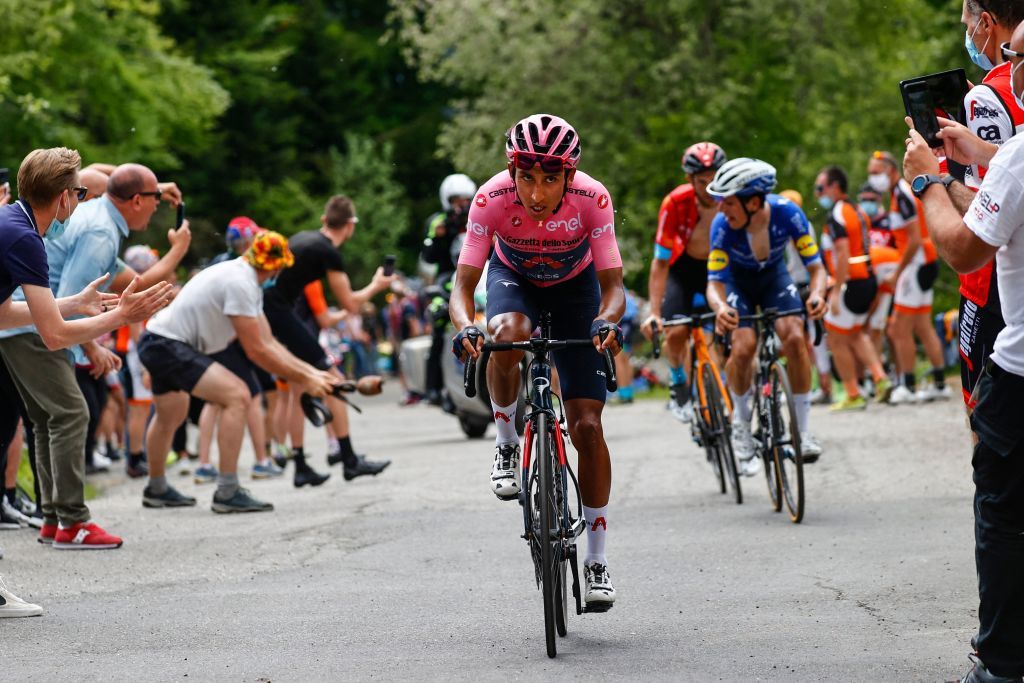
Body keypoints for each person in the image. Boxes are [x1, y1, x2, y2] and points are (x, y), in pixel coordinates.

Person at [450, 113, 625, 609]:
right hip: (515, 281)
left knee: (588, 427)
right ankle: (506, 442)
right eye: (526, 176)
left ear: (570, 176)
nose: (536, 192)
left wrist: (606, 322)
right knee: (505, 335)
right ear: (511, 171)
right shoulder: (490, 199)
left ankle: (596, 560)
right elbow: (462, 288)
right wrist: (467, 325)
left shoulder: (593, 198)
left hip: (577, 290)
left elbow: (613, 289)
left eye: (550, 178)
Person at [902, 24, 1024, 677]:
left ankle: (1002, 661)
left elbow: (963, 246)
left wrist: (927, 183)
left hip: (1020, 369)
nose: (1007, 66)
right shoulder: (1011, 156)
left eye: (1015, 57)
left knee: (1003, 511)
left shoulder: (1021, 155)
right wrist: (978, 154)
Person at [0, 151, 174, 550]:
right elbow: (55, 336)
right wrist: (122, 316)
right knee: (71, 413)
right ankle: (71, 521)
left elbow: (5, 313)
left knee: (52, 418)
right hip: (37, 338)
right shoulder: (26, 237)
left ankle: (55, 518)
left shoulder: (16, 223)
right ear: (64, 197)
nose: (82, 201)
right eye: (79, 192)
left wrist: (74, 303)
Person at [138, 231, 337, 512]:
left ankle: (156, 489)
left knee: (171, 414)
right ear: (274, 266)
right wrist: (306, 377)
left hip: (159, 339)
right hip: (168, 343)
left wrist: (313, 374)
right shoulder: (241, 284)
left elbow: (269, 342)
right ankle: (227, 492)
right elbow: (258, 351)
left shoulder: (246, 280)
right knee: (238, 396)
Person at [704, 158, 828, 470]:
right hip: (737, 284)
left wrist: (817, 294)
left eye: (728, 202)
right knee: (744, 346)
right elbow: (714, 284)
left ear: (754, 202)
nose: (721, 210)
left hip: (774, 278)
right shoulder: (722, 226)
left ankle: (803, 432)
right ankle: (742, 427)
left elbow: (816, 269)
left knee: (795, 337)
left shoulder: (788, 213)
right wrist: (720, 309)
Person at [261, 195, 393, 485]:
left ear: (324, 220)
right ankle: (349, 459)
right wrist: (376, 285)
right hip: (279, 312)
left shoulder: (304, 238)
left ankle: (300, 466)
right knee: (333, 380)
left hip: (270, 310)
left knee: (298, 387)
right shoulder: (327, 252)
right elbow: (351, 305)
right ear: (350, 226)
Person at [949, 0, 1024, 409]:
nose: (967, 34)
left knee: (982, 406)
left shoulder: (987, 93)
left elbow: (982, 207)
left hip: (993, 280)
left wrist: (935, 180)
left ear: (987, 24)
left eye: (967, 24)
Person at [641, 142, 727, 421]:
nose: (710, 188)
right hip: (683, 268)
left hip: (719, 268)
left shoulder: (732, 197)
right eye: (702, 182)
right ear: (690, 180)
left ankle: (727, 388)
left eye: (715, 180)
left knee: (736, 332)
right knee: (676, 332)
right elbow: (661, 261)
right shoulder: (675, 203)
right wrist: (654, 312)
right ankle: (679, 380)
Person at [865, 151, 949, 403]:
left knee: (898, 328)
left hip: (915, 264)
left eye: (876, 172)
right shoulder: (898, 193)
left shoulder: (901, 193)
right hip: (923, 261)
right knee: (923, 326)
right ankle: (940, 382)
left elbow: (912, 240)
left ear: (891, 170)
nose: (873, 178)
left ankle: (909, 387)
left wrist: (896, 274)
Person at [813, 166, 891, 410]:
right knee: (856, 333)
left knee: (836, 339)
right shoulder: (856, 210)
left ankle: (852, 393)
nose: (817, 194)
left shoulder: (837, 214)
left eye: (820, 188)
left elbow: (843, 252)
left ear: (835, 187)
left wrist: (835, 292)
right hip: (867, 281)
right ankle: (880, 378)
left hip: (851, 284)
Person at [421, 174, 477, 405]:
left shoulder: (478, 217)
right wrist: (440, 236)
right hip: (448, 279)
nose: (461, 205)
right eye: (457, 200)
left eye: (465, 200)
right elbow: (428, 256)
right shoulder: (438, 221)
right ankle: (432, 387)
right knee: (439, 317)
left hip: (478, 276)